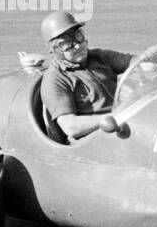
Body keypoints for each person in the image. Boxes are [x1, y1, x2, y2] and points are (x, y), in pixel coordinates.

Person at [39, 11, 133, 140]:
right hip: (92, 140)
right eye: (66, 43)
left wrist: (155, 61)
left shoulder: (100, 56)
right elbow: (71, 127)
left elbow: (137, 62)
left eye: (78, 36)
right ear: (54, 50)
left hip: (124, 124)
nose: (77, 45)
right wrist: (112, 117)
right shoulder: (55, 80)